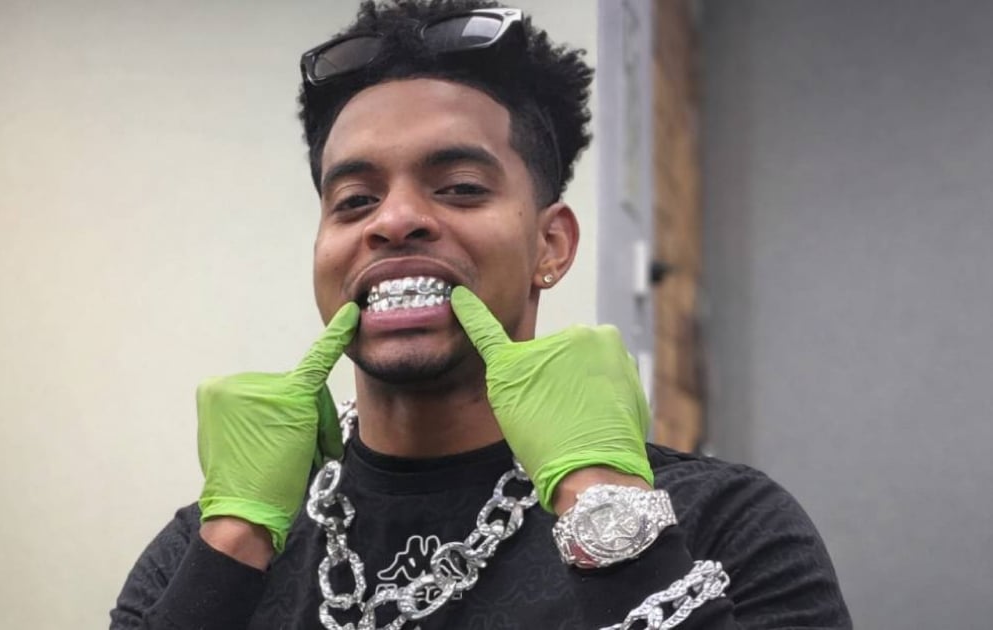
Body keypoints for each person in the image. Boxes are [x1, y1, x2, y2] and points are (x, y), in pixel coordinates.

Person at [111, 1, 851, 628]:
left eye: (460, 187)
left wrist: (604, 506)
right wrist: (233, 546)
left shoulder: (725, 525)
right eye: (355, 201)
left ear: (550, 246)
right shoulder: (200, 550)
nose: (394, 220)